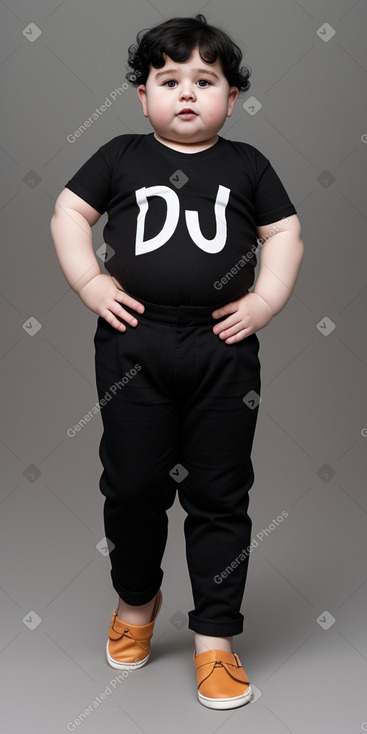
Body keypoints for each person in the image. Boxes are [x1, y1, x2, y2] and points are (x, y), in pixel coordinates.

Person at [50, 14, 304, 710]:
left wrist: (266, 298)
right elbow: (69, 214)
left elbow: (283, 231)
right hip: (136, 343)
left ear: (232, 96)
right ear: (142, 95)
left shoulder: (248, 164)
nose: (186, 93)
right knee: (132, 487)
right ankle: (137, 603)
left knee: (220, 494)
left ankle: (215, 638)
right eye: (169, 80)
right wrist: (90, 283)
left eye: (205, 80)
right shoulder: (119, 153)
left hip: (222, 349)